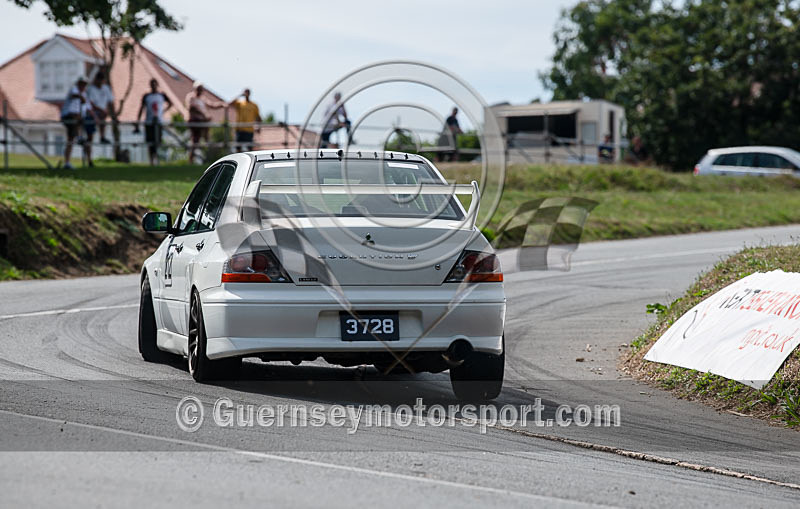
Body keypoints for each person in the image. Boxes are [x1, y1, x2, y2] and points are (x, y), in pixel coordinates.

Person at [136, 79, 173, 166]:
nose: (153, 86)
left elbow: (171, 103)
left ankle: (156, 159)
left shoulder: (161, 95)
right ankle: (151, 161)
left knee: (157, 141)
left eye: (155, 84)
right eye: (152, 84)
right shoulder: (146, 96)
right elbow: (141, 109)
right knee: (150, 142)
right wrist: (138, 120)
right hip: (149, 122)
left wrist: (162, 112)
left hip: (159, 122)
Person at [186, 82, 225, 163]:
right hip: (195, 122)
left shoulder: (202, 98)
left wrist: (221, 104)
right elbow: (192, 107)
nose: (200, 90)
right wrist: (204, 115)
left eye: (201, 89)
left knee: (206, 139)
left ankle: (208, 158)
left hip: (202, 122)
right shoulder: (191, 97)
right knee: (195, 141)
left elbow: (211, 105)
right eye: (198, 89)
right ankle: (191, 160)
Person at [60, 76, 88, 170]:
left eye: (84, 85)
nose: (83, 86)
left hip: (76, 120)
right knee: (75, 118)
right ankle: (78, 137)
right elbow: (74, 96)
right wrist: (80, 97)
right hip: (68, 117)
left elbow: (83, 109)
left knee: (70, 140)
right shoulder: (74, 90)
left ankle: (67, 162)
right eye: (81, 84)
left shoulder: (84, 94)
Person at [86, 71, 114, 144]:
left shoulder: (106, 88)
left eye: (102, 80)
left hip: (101, 113)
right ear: (96, 79)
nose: (101, 82)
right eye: (99, 80)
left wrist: (113, 115)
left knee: (103, 119)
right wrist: (102, 110)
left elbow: (110, 101)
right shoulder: (91, 89)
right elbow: (90, 104)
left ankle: (102, 136)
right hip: (92, 113)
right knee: (89, 138)